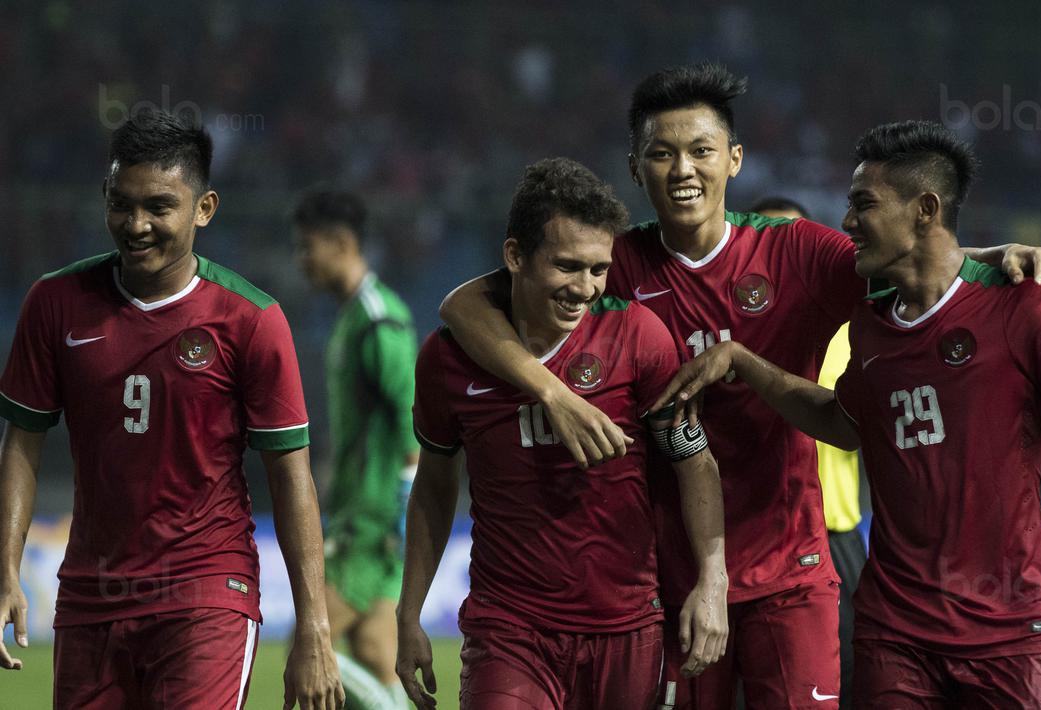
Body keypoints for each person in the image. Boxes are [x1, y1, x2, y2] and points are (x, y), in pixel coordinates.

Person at [437, 64, 1041, 708]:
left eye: (701, 150)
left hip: (790, 571)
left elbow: (912, 262)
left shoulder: (793, 252)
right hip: (672, 578)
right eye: (661, 154)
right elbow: (464, 305)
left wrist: (995, 256)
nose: (683, 170)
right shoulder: (615, 264)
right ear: (635, 168)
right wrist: (552, 393)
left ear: (735, 159)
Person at [653, 120, 1041, 708]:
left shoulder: (1024, 307)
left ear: (925, 209)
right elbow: (841, 423)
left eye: (864, 204)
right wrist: (743, 360)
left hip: (1011, 633)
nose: (848, 221)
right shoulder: (870, 325)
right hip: (895, 638)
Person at [0, 111, 343, 709]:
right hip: (90, 596)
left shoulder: (251, 320)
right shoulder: (54, 303)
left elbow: (292, 477)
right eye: (121, 204)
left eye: (159, 207)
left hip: (207, 594)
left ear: (203, 209)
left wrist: (313, 626)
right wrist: (6, 566)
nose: (136, 225)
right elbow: (22, 440)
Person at [395, 158, 727, 710]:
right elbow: (434, 485)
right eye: (567, 266)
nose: (584, 288)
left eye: (599, 269)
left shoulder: (638, 337)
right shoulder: (447, 359)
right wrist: (409, 612)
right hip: (509, 628)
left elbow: (693, 462)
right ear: (515, 256)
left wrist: (712, 579)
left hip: (626, 626)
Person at [293, 189, 420, 710]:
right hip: (360, 515)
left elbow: (414, 420)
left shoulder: (377, 318)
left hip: (372, 523)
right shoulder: (352, 316)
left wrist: (404, 512)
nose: (302, 260)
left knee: (309, 650)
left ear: (341, 243)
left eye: (308, 247)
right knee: (373, 652)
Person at [750, 195, 866, 710]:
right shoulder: (729, 334)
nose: (784, 258)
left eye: (795, 243)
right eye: (771, 242)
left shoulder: (848, 333)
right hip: (752, 535)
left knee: (853, 684)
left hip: (835, 536)